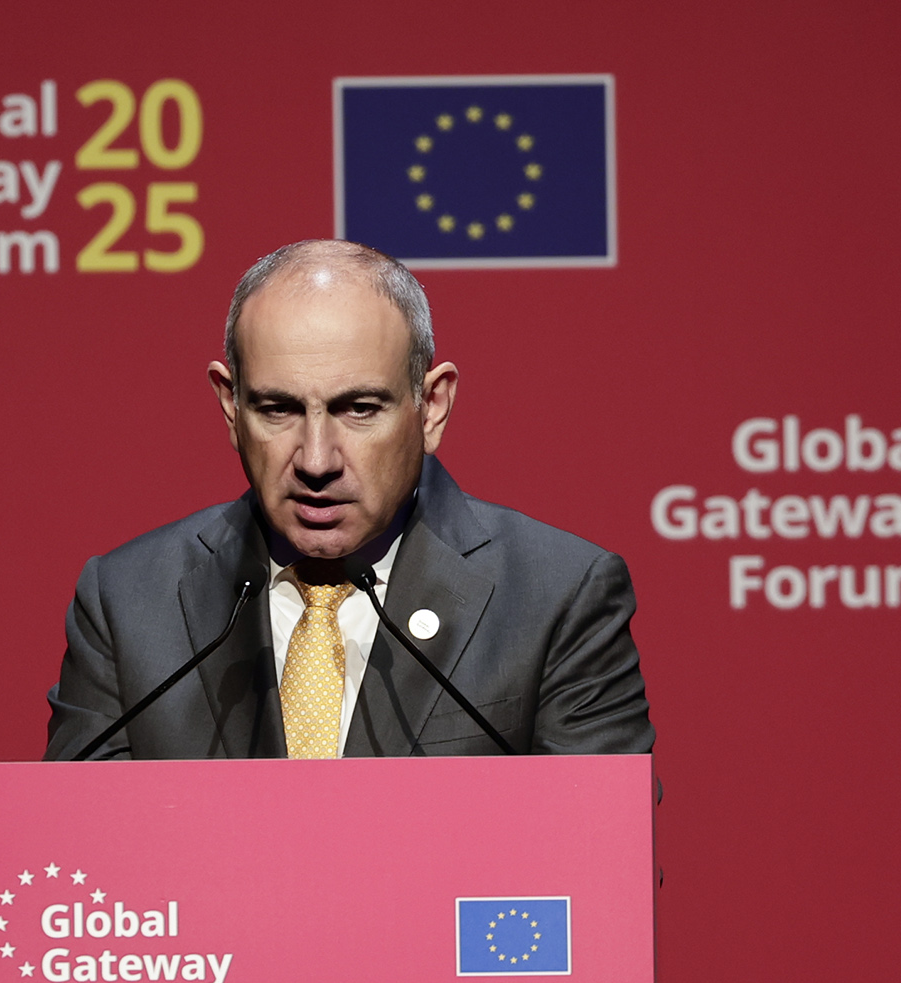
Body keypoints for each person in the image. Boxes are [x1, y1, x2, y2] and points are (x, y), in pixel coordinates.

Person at [45, 240, 653, 760]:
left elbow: (601, 847)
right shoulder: (128, 603)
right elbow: (76, 842)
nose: (316, 460)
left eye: (359, 409)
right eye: (278, 409)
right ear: (231, 407)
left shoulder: (556, 598)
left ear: (431, 406)